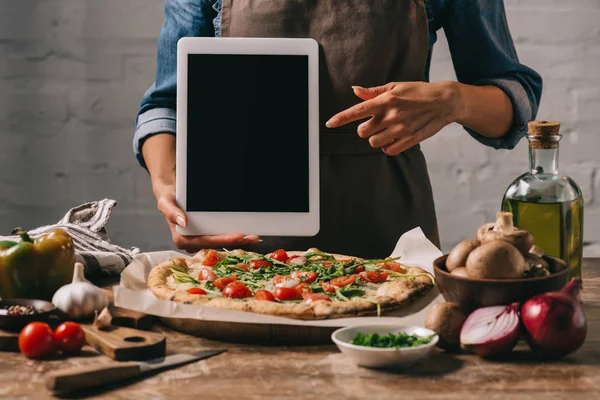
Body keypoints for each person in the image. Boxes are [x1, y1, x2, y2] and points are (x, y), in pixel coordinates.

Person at [134, 0, 542, 258]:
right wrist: (168, 187)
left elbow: (515, 98)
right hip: (239, 247)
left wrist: (455, 99)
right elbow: (168, 105)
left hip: (390, 243)